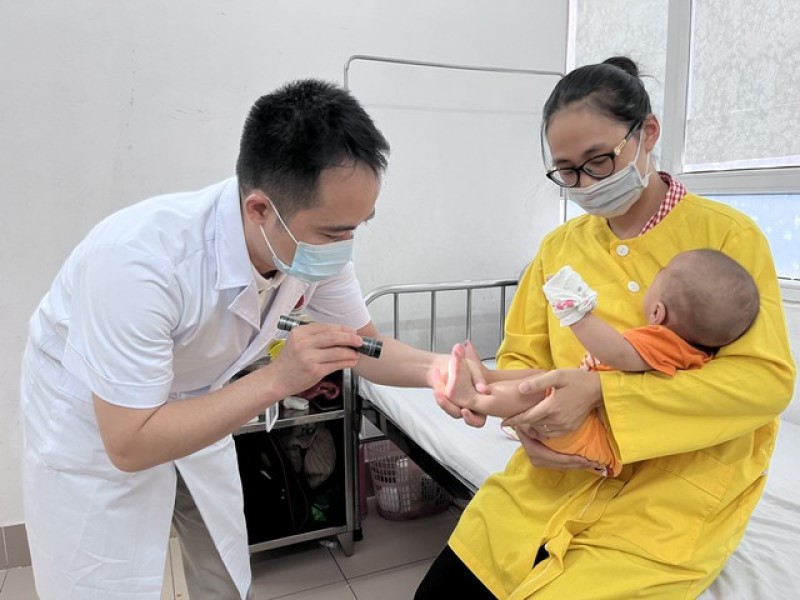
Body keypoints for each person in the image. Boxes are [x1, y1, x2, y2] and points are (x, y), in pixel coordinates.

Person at [20, 79, 454, 600]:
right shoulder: (136, 263)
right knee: (101, 583)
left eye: (357, 227)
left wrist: (446, 371)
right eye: (333, 232)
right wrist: (278, 379)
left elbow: (365, 349)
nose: (345, 246)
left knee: (220, 564)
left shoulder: (310, 248)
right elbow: (129, 444)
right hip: (95, 419)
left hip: (198, 396)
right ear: (259, 209)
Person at [417, 57, 795, 599]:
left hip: (670, 502)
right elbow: (524, 359)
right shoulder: (559, 249)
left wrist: (601, 393)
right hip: (554, 478)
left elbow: (763, 383)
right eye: (567, 171)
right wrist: (515, 414)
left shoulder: (727, 237)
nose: (586, 183)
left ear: (647, 133)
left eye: (598, 160)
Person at [442, 249, 761, 477]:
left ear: (657, 312)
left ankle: (473, 398)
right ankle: (487, 377)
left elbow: (615, 352)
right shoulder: (689, 349)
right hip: (592, 423)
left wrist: (576, 312)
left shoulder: (665, 342)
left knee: (540, 393)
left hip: (592, 433)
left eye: (657, 277)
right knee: (544, 377)